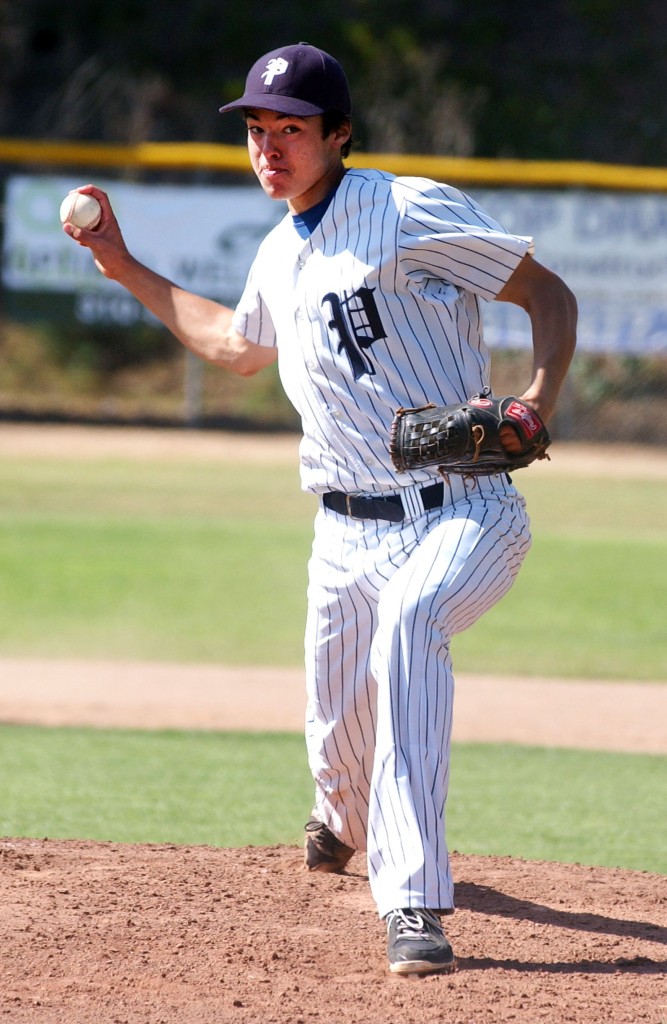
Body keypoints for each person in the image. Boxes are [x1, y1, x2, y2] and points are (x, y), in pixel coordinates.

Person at [63, 42, 577, 975]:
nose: (270, 147)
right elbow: (232, 345)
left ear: (338, 134)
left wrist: (537, 401)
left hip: (460, 507)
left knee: (412, 627)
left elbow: (546, 292)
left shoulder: (403, 209)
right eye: (257, 130)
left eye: (291, 129)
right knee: (335, 736)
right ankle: (342, 820)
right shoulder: (277, 250)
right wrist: (121, 261)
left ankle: (413, 899)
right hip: (341, 534)